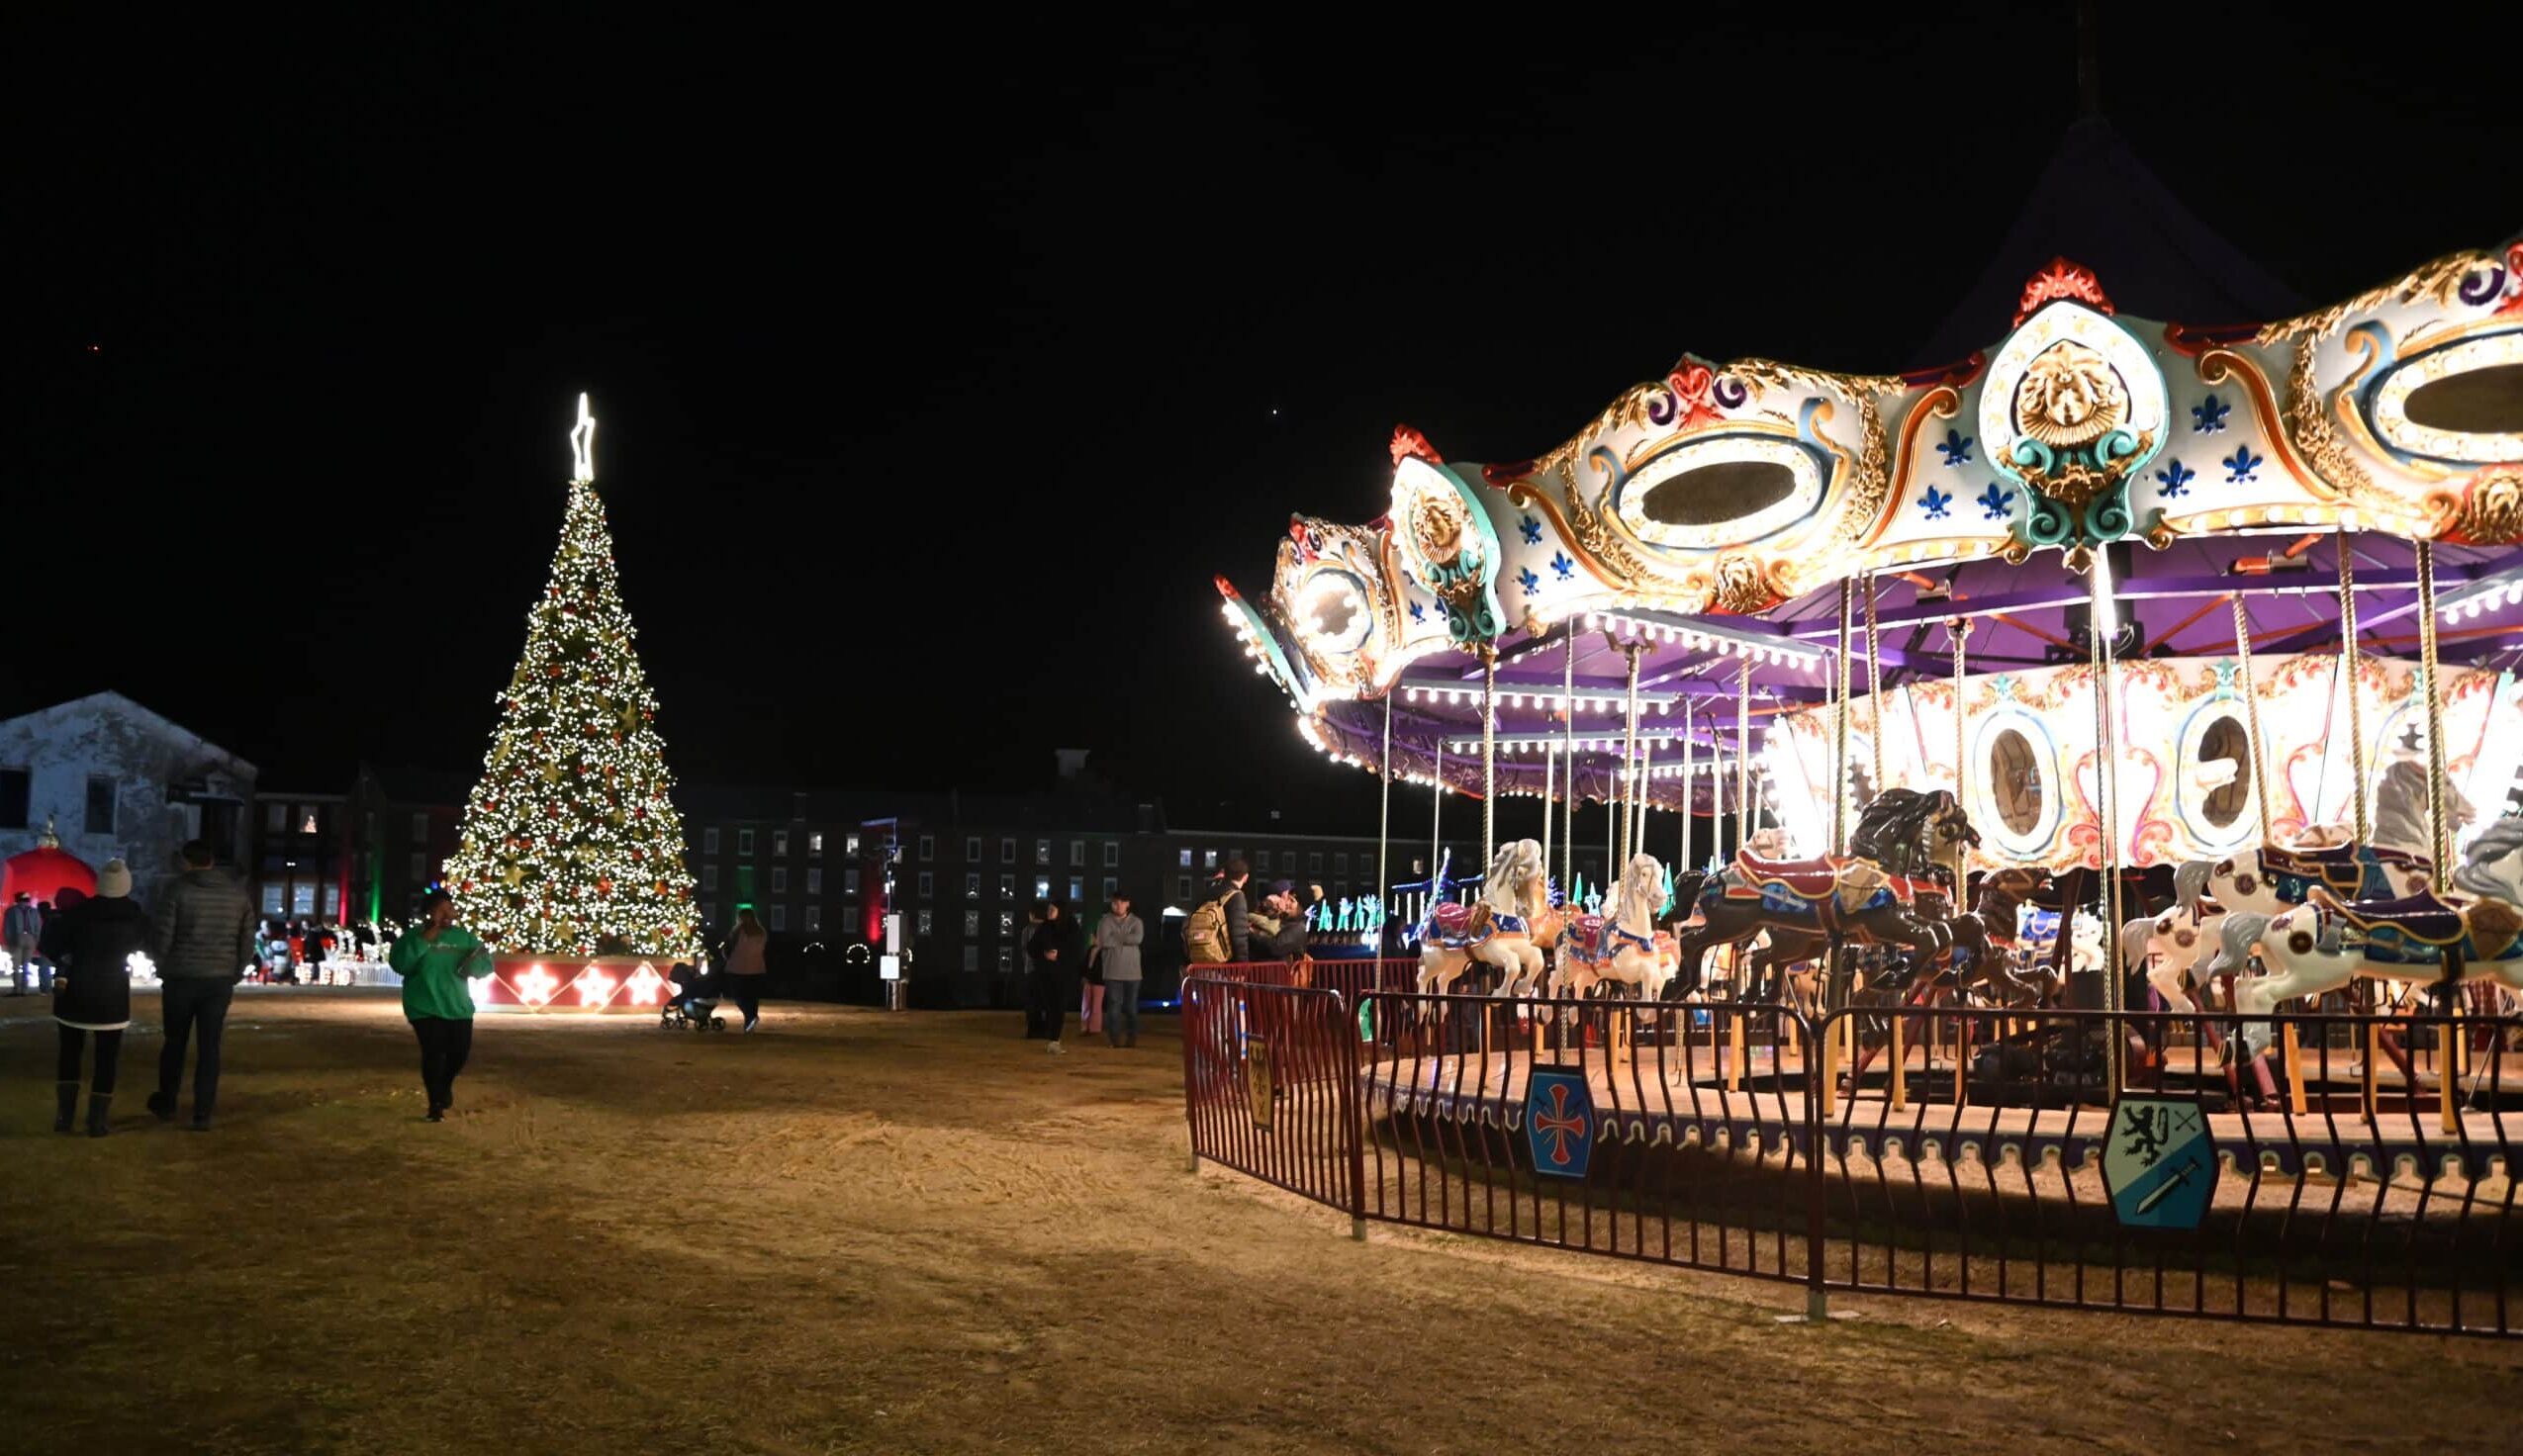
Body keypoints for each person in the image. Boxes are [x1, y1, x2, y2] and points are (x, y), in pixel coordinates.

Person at [149, 840, 256, 1132]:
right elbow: (247, 939)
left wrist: (162, 965)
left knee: (175, 1043)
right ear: (211, 861)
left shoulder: (177, 890)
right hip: (219, 980)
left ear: (187, 862)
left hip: (181, 978)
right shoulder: (237, 895)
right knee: (210, 1046)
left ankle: (168, 1102)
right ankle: (202, 1112)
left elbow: (163, 935)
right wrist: (235, 971)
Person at [43, 860, 151, 1137]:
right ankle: (97, 1120)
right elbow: (145, 943)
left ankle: (64, 1117)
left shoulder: (78, 913)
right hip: (112, 991)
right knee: (107, 1058)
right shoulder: (135, 916)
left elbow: (51, 945)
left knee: (69, 1053)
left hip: (76, 989)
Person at [388, 890, 492, 1122]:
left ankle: (444, 1086)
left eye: (450, 908)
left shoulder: (465, 938)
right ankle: (435, 1104)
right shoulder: (413, 937)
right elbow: (400, 964)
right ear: (429, 912)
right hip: (423, 1006)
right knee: (433, 1053)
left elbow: (485, 966)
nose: (447, 913)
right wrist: (426, 939)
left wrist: (475, 964)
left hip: (457, 1006)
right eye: (440, 908)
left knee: (459, 1054)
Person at [1024, 899, 1082, 1052]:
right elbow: (1031, 948)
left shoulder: (1072, 928)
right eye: (1049, 909)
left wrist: (1059, 954)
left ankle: (1054, 1039)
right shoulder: (1045, 927)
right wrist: (1044, 953)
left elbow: (1076, 950)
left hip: (1063, 975)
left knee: (1058, 1006)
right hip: (1044, 974)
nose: (1049, 911)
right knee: (1049, 1006)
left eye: (1052, 909)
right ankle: (1049, 1037)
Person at [1093, 892, 1144, 1048]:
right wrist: (1125, 937)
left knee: (1131, 1007)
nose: (1118, 906)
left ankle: (1132, 1037)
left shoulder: (1136, 921)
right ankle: (1114, 1039)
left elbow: (1138, 939)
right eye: (1115, 903)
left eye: (1121, 903)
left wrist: (1116, 937)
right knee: (1114, 1007)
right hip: (1112, 971)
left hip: (1133, 972)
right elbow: (1104, 941)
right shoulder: (1104, 921)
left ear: (1127, 904)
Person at [723, 907, 769, 1032]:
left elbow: (728, 946)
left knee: (739, 995)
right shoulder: (761, 931)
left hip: (738, 967)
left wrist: (727, 958)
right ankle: (750, 1020)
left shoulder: (738, 931)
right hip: (757, 968)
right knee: (752, 996)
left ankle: (750, 1017)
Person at [1207, 859, 1254, 963]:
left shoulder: (1207, 893)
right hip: (1224, 964)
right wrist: (1242, 968)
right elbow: (1239, 935)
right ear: (1245, 877)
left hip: (1201, 960)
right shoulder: (1236, 896)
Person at [5, 890, 41, 996]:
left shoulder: (11, 910)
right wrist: (36, 940)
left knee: (16, 965)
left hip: (17, 937)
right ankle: (25, 989)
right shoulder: (34, 911)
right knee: (26, 965)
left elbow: (7, 928)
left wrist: (9, 942)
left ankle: (17, 989)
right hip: (31, 938)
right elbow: (38, 927)